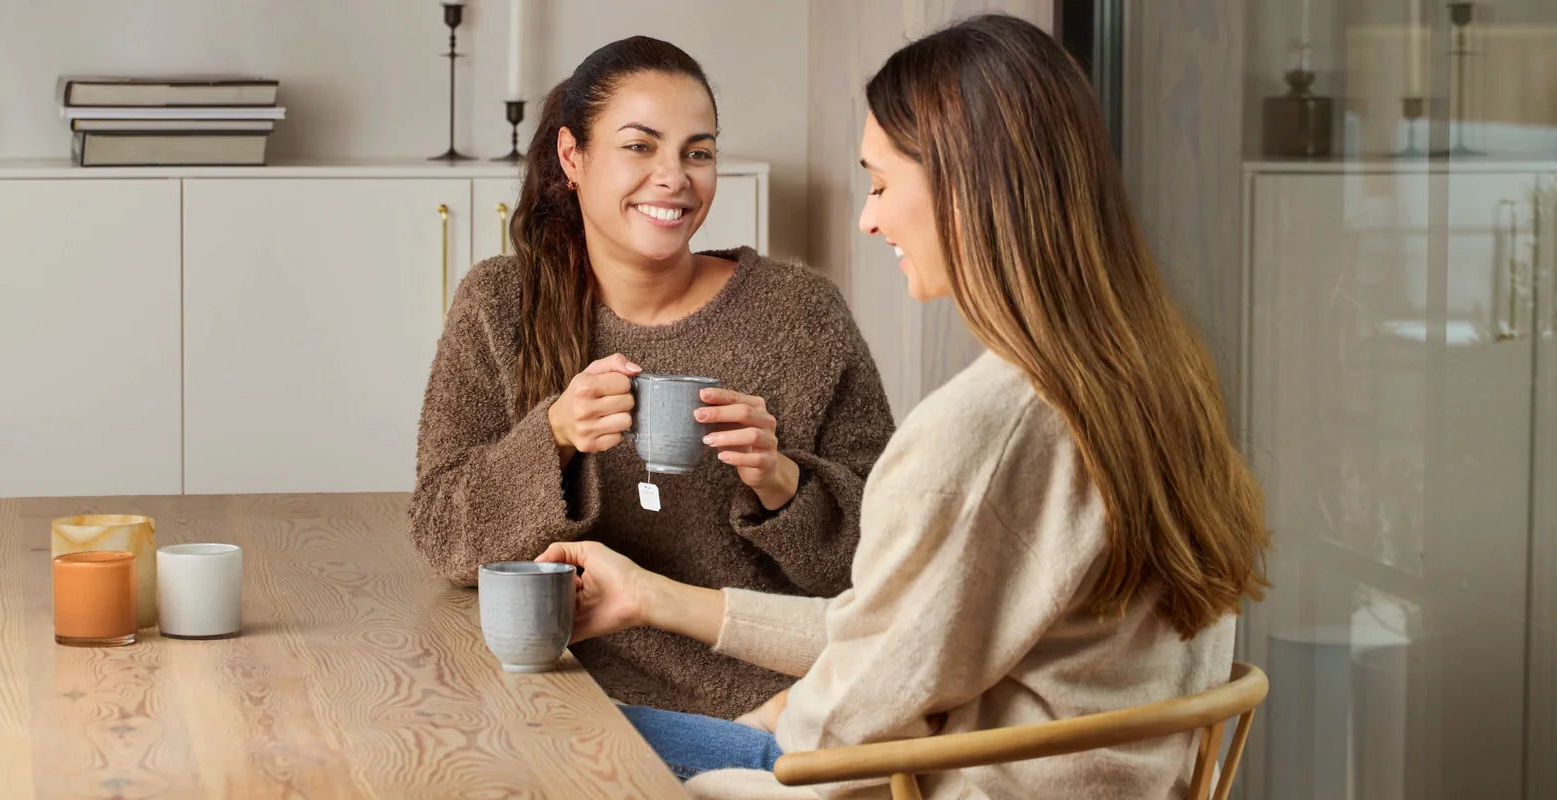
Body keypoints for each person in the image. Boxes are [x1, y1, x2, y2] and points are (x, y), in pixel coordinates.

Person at [537, 14, 1273, 798]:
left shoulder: (986, 429)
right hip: (1103, 782)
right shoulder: (1154, 378)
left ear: (966, 187)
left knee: (544, 738)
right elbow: (900, 632)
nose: (869, 217)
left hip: (931, 786)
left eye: (882, 184)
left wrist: (755, 735)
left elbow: (838, 735)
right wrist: (653, 598)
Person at [408, 34, 896, 721]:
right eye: (640, 146)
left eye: (698, 152)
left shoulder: (801, 313)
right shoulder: (499, 305)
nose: (674, 177)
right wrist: (553, 435)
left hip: (765, 708)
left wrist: (782, 483)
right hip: (562, 694)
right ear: (572, 157)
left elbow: (889, 566)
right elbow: (444, 537)